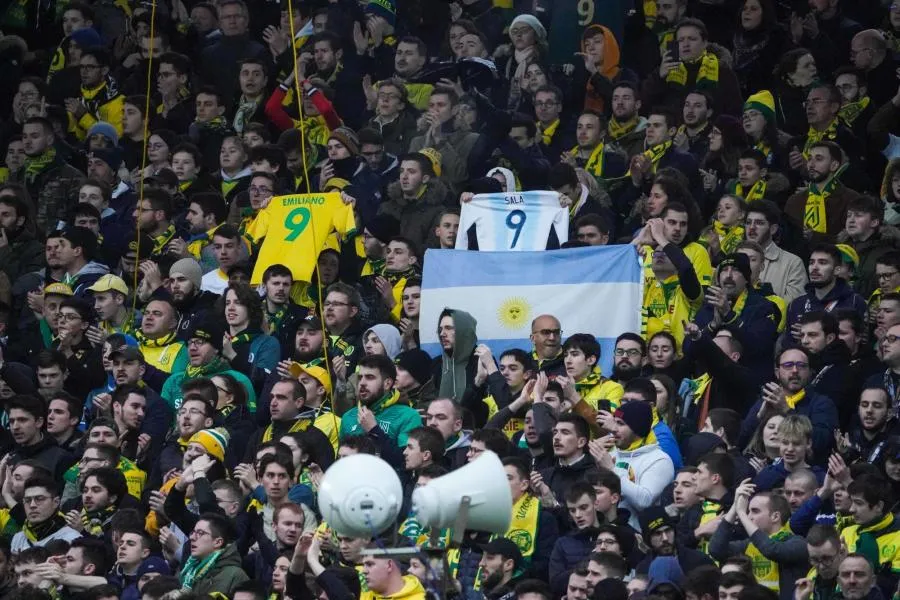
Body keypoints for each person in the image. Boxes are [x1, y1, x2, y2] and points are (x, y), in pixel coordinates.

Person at [709, 479, 809, 600]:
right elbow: (716, 550)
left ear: (775, 516)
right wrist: (735, 507)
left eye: (755, 511)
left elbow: (772, 550)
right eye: (748, 511)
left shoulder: (798, 543)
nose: (749, 516)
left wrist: (742, 513)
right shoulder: (748, 545)